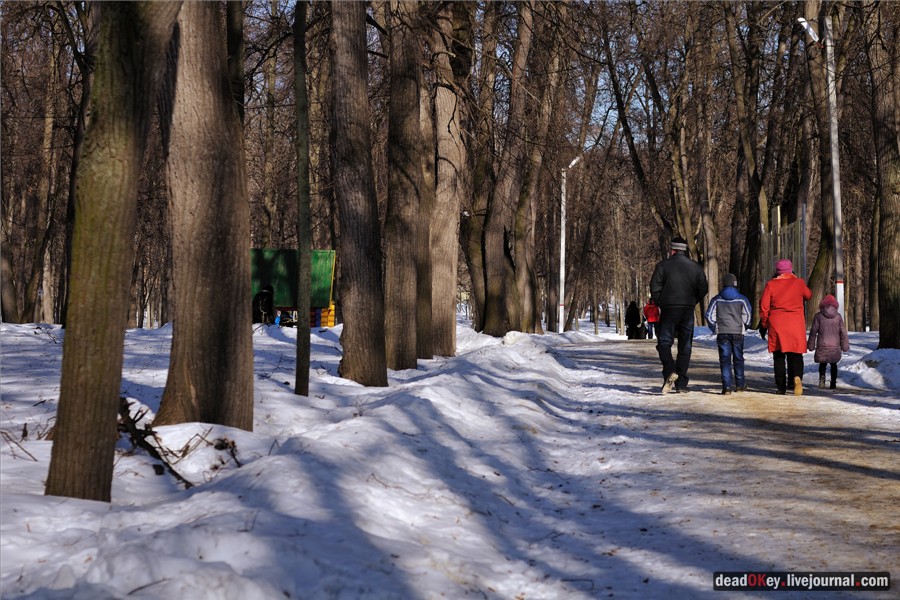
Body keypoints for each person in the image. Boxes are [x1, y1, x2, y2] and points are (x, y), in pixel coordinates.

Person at [650, 236, 709, 393]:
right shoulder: (696, 267)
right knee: (685, 345)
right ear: (685, 250)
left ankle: (670, 370)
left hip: (669, 308)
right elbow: (703, 289)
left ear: (672, 250)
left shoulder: (663, 266)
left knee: (664, 342)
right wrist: (692, 301)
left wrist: (661, 301)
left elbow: (654, 287)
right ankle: (681, 383)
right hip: (687, 309)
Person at [759, 259, 812, 395]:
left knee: (779, 356)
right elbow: (809, 295)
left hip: (777, 324)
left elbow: (764, 306)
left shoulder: (771, 285)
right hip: (795, 323)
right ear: (790, 270)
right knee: (796, 355)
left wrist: (765, 323)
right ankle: (797, 378)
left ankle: (781, 387)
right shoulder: (799, 283)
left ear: (777, 271)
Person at [705, 273, 752, 394]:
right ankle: (740, 385)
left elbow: (709, 315)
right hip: (737, 332)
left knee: (725, 360)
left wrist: (715, 327)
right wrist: (744, 326)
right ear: (735, 284)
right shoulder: (742, 299)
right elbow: (747, 315)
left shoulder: (717, 299)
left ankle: (726, 387)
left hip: (722, 332)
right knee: (738, 359)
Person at [807, 294, 850, 389]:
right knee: (833, 364)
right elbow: (843, 332)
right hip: (835, 345)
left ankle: (822, 381)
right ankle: (833, 382)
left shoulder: (818, 316)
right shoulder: (838, 317)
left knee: (823, 363)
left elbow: (813, 331)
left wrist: (811, 345)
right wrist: (845, 346)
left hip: (822, 344)